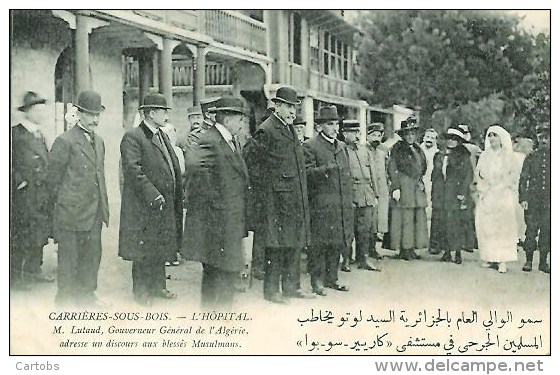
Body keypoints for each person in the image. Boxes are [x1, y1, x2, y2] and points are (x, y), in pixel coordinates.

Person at [243, 86, 311, 304]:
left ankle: (290, 287)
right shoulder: (267, 129)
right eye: (288, 107)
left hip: (293, 198)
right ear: (277, 106)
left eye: (294, 108)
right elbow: (251, 163)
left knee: (291, 243)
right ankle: (271, 291)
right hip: (276, 200)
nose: (292, 112)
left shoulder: (288, 128)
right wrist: (270, 188)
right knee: (275, 246)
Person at [183, 96, 249, 307]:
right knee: (218, 274)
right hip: (217, 221)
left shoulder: (230, 141)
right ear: (228, 119)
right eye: (240, 119)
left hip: (228, 219)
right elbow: (193, 168)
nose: (242, 123)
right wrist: (216, 200)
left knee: (225, 273)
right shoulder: (210, 139)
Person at [119, 93, 183, 306]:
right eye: (163, 111)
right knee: (143, 250)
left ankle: (158, 286)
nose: (166, 115)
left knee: (160, 246)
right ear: (151, 113)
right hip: (144, 206)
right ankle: (142, 292)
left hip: (163, 203)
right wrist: (153, 194)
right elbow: (133, 170)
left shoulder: (161, 135)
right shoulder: (133, 137)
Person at [47, 91, 109, 306]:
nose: (95, 119)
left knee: (91, 258)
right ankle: (64, 304)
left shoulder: (99, 141)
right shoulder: (65, 141)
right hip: (71, 215)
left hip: (94, 212)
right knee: (69, 261)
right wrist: (60, 211)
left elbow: (98, 175)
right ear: (78, 114)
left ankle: (87, 297)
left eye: (98, 115)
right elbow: (52, 181)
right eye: (90, 114)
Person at [303, 105, 353, 294]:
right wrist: (326, 170)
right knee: (319, 244)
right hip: (321, 205)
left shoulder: (341, 146)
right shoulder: (311, 146)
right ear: (320, 126)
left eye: (336, 124)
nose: (335, 128)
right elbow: (306, 174)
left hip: (340, 204)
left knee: (337, 242)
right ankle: (317, 281)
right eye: (330, 124)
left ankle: (332, 278)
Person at [11, 91, 54, 290]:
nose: (41, 114)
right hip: (24, 196)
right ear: (27, 112)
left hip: (41, 195)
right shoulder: (14, 134)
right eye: (37, 110)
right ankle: (15, 277)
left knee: (39, 233)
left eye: (42, 109)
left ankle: (34, 270)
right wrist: (18, 180)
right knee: (22, 235)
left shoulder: (40, 135)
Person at [475, 125, 518, 273]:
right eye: (490, 136)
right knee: (487, 226)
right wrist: (483, 189)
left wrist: (502, 186)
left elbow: (513, 175)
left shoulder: (509, 155)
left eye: (495, 135)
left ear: (501, 138)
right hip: (488, 194)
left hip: (503, 194)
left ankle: (502, 260)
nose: (492, 138)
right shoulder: (484, 155)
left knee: (502, 227)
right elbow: (478, 174)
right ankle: (489, 257)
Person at [430, 126, 474, 264]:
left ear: (459, 141)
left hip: (455, 193)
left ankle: (458, 252)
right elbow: (436, 175)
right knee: (443, 222)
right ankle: (447, 251)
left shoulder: (463, 155)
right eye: (449, 139)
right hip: (442, 193)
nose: (451, 142)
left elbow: (468, 175)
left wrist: (462, 192)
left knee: (456, 223)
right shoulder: (440, 155)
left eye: (454, 139)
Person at [387, 117, 429, 260]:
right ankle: (404, 249)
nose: (410, 136)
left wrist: (420, 180)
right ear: (403, 135)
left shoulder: (417, 148)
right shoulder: (397, 149)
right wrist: (396, 187)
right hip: (404, 184)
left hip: (416, 185)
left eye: (413, 133)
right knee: (404, 217)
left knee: (415, 217)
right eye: (407, 134)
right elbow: (392, 168)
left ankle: (411, 247)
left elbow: (422, 166)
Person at [342, 119, 379, 271]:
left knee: (365, 230)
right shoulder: (342, 150)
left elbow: (373, 174)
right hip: (351, 193)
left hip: (367, 193)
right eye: (353, 132)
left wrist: (375, 195)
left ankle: (363, 258)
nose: (357, 136)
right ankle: (346, 259)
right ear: (344, 134)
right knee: (349, 229)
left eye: (358, 132)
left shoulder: (365, 151)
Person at [519, 124, 550, 273]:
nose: (544, 140)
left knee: (547, 231)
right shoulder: (531, 157)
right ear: (537, 138)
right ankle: (528, 261)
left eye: (547, 137)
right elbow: (523, 178)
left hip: (550, 202)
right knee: (531, 231)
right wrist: (523, 198)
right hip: (533, 200)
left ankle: (543, 262)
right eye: (541, 137)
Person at [161, 123, 185, 267]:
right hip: (166, 192)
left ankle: (175, 251)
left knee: (176, 222)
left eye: (172, 132)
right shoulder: (162, 150)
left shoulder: (177, 151)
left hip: (177, 190)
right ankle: (168, 254)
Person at [366, 122, 390, 259]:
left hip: (382, 189)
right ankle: (364, 250)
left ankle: (373, 249)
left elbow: (387, 169)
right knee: (369, 221)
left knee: (379, 221)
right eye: (373, 135)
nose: (376, 138)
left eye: (378, 135)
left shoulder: (384, 151)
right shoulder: (363, 150)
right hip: (369, 189)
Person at [420, 128, 439, 225]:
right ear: (423, 138)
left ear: (436, 140)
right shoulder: (417, 151)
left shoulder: (437, 154)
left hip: (431, 184)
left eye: (432, 138)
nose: (429, 139)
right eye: (427, 137)